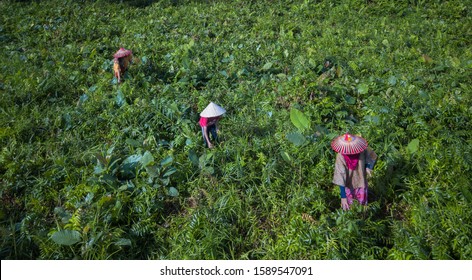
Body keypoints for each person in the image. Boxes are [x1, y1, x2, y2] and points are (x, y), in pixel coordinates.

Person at [331, 133, 377, 210]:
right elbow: (340, 175)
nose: (350, 150)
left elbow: (372, 155)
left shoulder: (362, 150)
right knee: (349, 207)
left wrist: (367, 167)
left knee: (362, 207)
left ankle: (363, 219)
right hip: (348, 185)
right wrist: (343, 196)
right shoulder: (341, 156)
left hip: (361, 182)